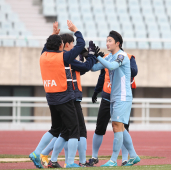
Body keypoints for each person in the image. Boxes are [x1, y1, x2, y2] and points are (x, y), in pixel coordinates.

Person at [29, 20, 86, 169]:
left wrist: (53, 34)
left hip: (51, 97)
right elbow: (80, 46)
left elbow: (46, 47)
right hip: (64, 97)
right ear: (61, 46)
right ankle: (71, 162)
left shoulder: (42, 56)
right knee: (74, 130)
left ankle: (36, 152)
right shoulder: (63, 57)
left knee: (55, 128)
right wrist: (76, 30)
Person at [40, 33, 97, 167]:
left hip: (68, 97)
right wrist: (91, 56)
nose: (73, 47)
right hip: (70, 97)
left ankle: (50, 156)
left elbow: (82, 69)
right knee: (75, 131)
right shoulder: (65, 58)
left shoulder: (62, 58)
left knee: (65, 131)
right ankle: (66, 160)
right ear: (65, 45)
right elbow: (86, 67)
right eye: (71, 44)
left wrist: (88, 57)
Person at [91, 30, 140, 167]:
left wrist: (98, 56)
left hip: (123, 96)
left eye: (110, 41)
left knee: (117, 126)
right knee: (119, 127)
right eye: (106, 41)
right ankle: (134, 156)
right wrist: (89, 57)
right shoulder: (110, 56)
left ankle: (113, 160)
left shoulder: (122, 56)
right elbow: (95, 68)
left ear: (117, 43)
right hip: (114, 96)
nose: (107, 43)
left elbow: (112, 66)